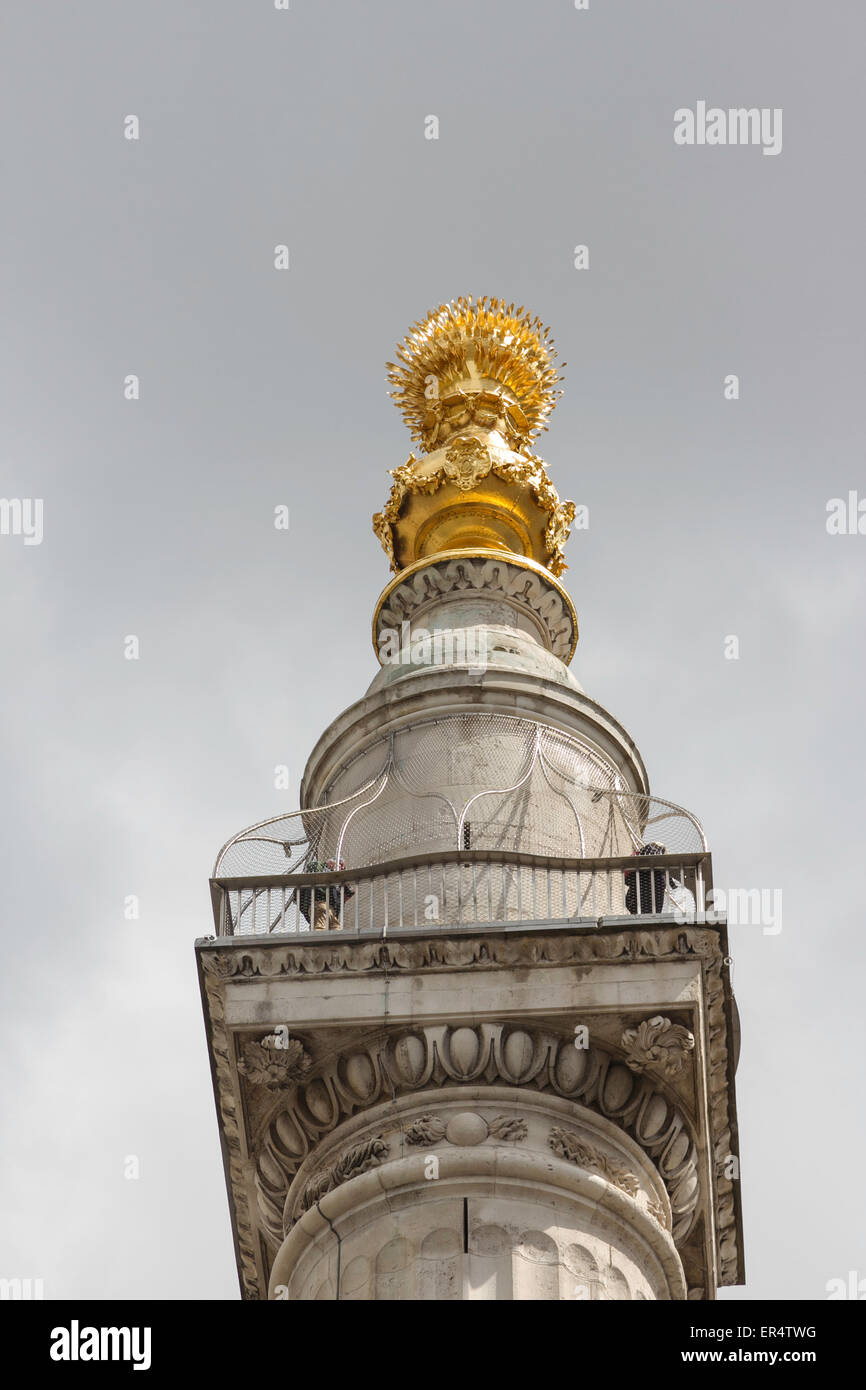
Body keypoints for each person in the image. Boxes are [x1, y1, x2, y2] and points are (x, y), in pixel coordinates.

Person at [296, 859, 355, 932]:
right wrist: (331, 872)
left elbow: (348, 894)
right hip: (319, 904)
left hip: (331, 911)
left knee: (336, 931)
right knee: (320, 929)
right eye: (341, 865)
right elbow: (312, 867)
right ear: (331, 863)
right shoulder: (320, 867)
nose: (342, 868)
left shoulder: (337, 883)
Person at [624, 842, 674, 915]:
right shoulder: (662, 870)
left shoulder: (638, 861)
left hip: (635, 906)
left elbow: (626, 880)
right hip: (653, 909)